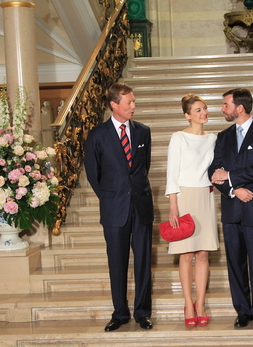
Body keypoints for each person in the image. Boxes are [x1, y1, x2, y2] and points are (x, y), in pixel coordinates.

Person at [84, 82, 154, 331]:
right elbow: (93, 174)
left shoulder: (143, 131)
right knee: (117, 262)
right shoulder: (97, 135)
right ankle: (120, 313)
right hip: (114, 208)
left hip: (142, 205)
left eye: (134, 102)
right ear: (114, 105)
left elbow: (143, 168)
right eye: (129, 103)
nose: (133, 106)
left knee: (144, 261)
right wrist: (111, 197)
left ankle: (143, 312)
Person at [208, 88, 253, 328]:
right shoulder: (222, 137)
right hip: (231, 208)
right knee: (234, 264)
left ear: (240, 108)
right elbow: (213, 171)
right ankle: (242, 311)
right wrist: (232, 189)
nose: (222, 109)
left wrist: (229, 175)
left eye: (225, 105)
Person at [165, 94, 219, 327]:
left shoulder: (214, 139)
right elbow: (172, 173)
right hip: (184, 197)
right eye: (198, 110)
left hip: (206, 197)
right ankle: (188, 304)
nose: (203, 113)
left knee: (203, 253)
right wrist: (173, 205)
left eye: (205, 108)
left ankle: (201, 303)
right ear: (187, 115)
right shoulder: (178, 138)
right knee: (186, 254)